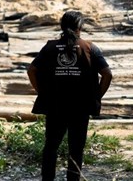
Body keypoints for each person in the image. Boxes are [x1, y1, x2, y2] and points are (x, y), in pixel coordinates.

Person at [27, 10, 113, 181]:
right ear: (80, 27)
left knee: (51, 146)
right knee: (76, 148)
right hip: (80, 108)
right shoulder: (90, 48)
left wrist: (42, 93)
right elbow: (107, 74)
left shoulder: (50, 47)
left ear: (61, 26)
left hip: (55, 105)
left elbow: (31, 70)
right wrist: (97, 97)